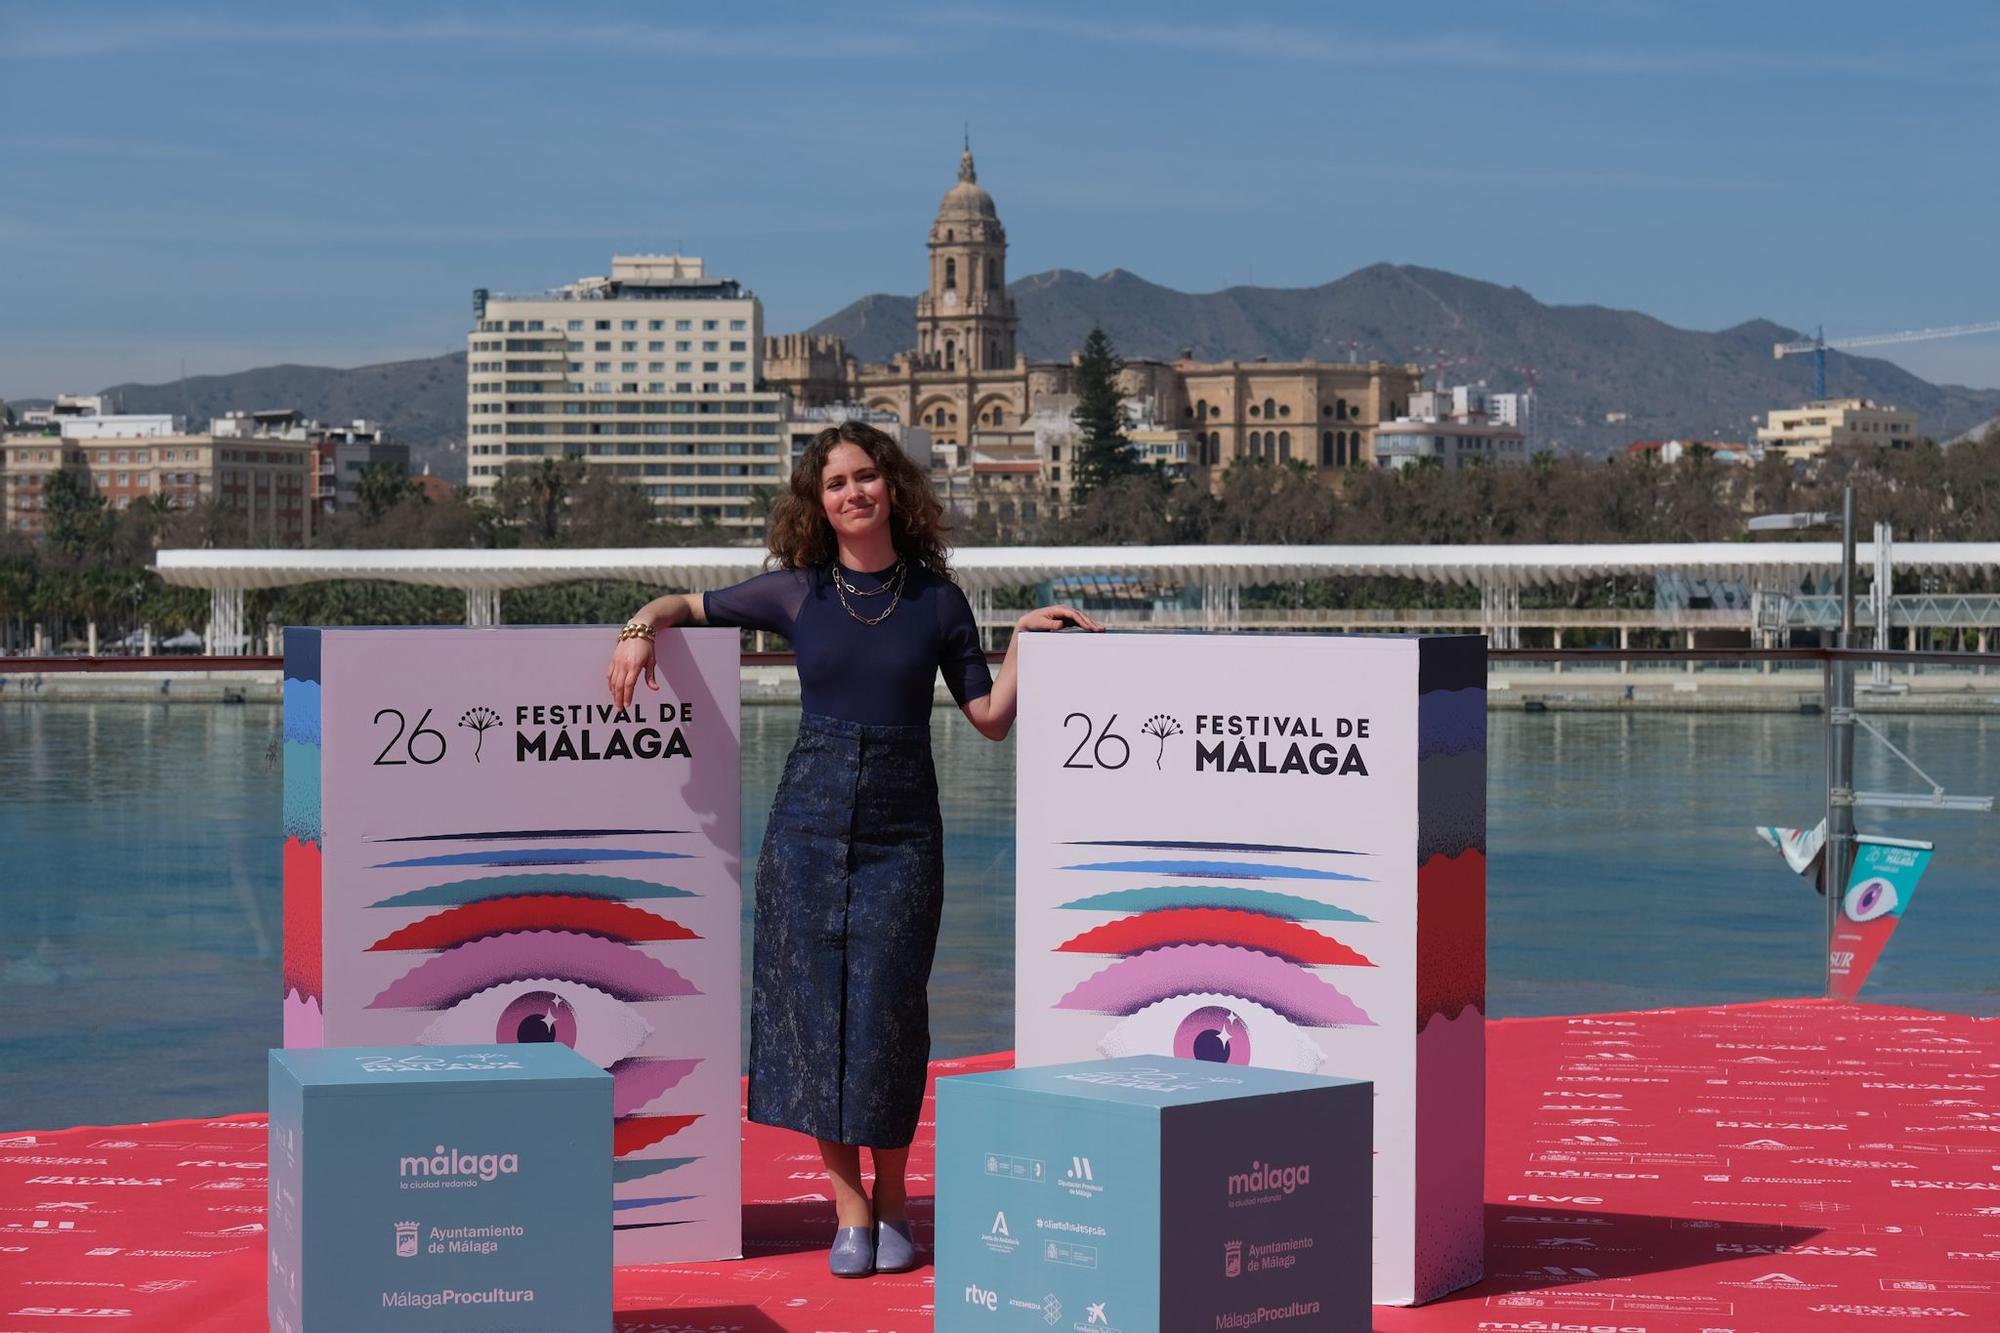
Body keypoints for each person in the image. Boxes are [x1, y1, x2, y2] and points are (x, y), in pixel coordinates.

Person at [606, 420, 1099, 1277]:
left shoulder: (938, 600)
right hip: (807, 821)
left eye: (865, 476)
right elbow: (682, 605)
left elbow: (988, 718)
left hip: (904, 829)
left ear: (892, 486)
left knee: (888, 1010)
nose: (853, 493)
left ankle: (898, 1195)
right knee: (814, 1009)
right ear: (819, 503)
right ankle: (849, 1209)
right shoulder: (796, 592)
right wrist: (637, 630)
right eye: (835, 483)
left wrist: (1021, 639)